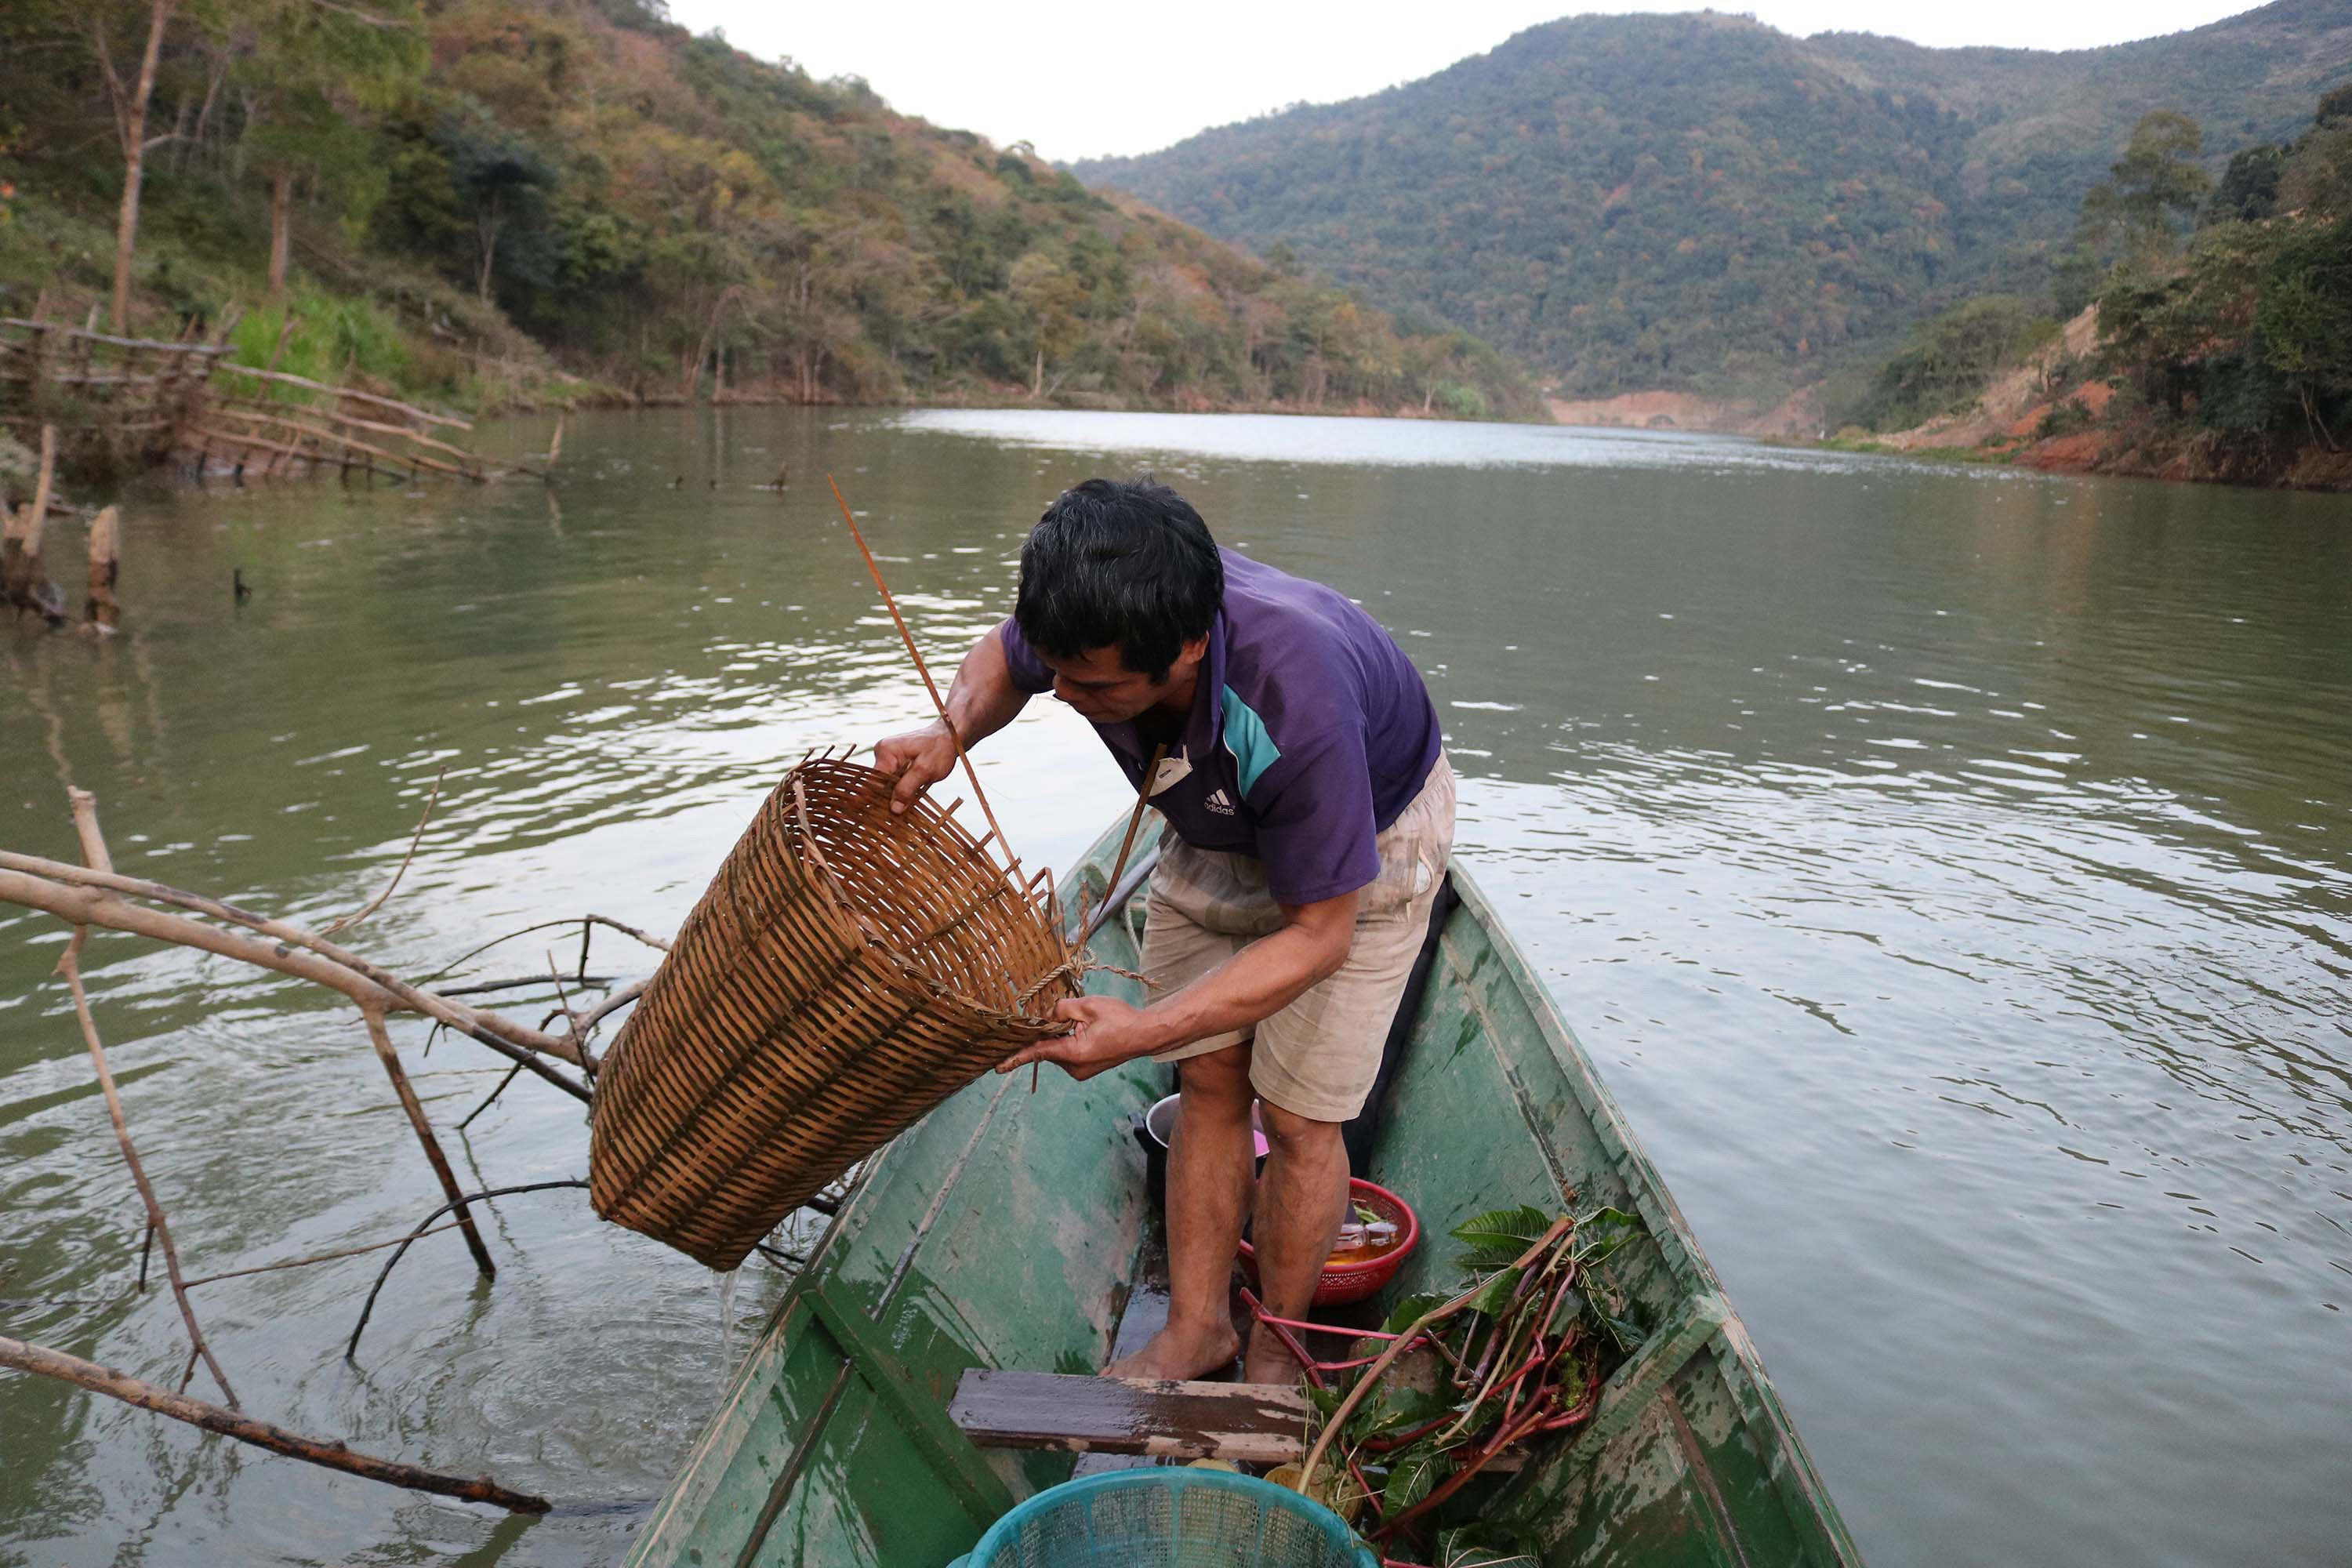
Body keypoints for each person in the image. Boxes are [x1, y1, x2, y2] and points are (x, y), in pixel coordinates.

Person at [874, 477, 1454, 1385]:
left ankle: (1275, 1344)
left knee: (1301, 1114)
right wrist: (951, 729)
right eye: (1058, 670)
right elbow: (1005, 651)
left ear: (1187, 649)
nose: (1060, 694)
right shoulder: (1098, 615)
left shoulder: (1295, 702)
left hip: (1362, 845)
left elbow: (1317, 937)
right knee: (1210, 1075)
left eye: (1092, 684)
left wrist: (1140, 1025)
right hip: (1215, 827)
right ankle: (1198, 1328)